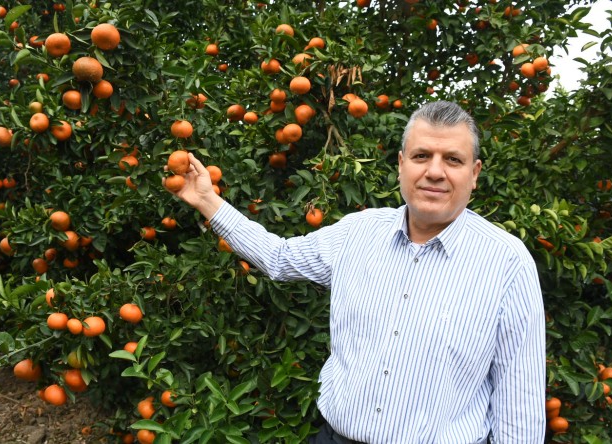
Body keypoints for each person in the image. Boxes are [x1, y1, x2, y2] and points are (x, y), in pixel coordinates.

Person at [163, 100, 546, 443]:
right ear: (401, 165)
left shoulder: (507, 263)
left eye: (453, 160)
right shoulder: (357, 233)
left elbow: (519, 405)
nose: (434, 171)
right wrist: (209, 202)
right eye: (421, 156)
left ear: (475, 173)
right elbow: (279, 258)